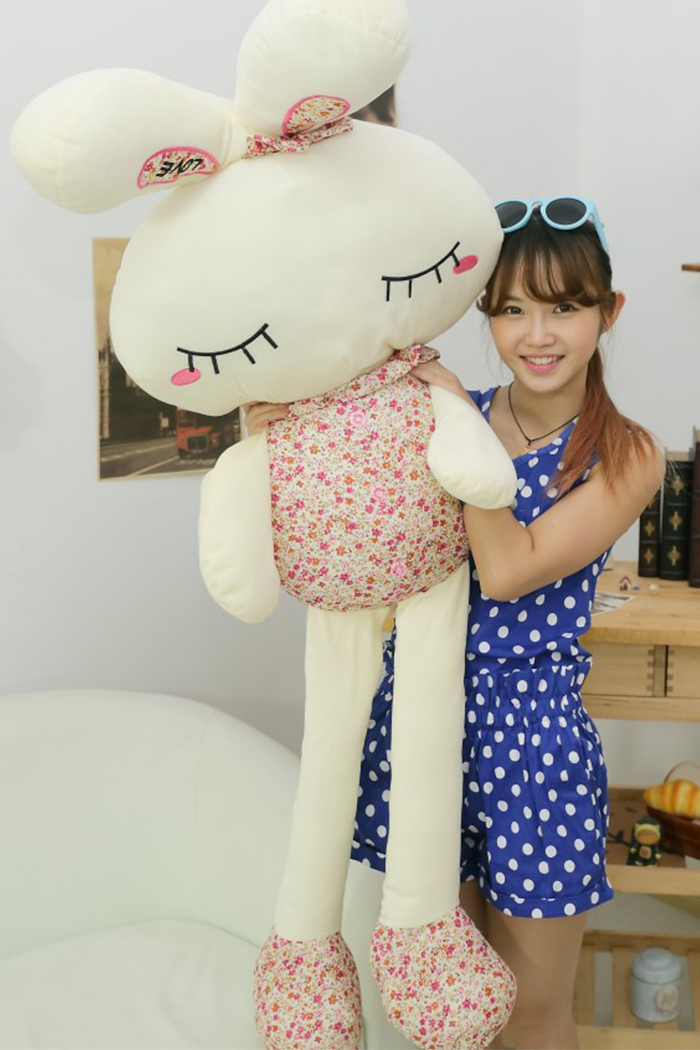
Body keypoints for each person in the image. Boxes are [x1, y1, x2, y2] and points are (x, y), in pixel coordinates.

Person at [244, 198, 665, 1050]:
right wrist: (277, 428)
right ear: (487, 315)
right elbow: (345, 500)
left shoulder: (626, 453)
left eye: (564, 306)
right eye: (511, 309)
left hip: (533, 746)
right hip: (420, 728)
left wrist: (454, 430)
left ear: (608, 311)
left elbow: (508, 571)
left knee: (531, 1010)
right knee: (444, 1010)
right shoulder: (444, 412)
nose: (536, 335)